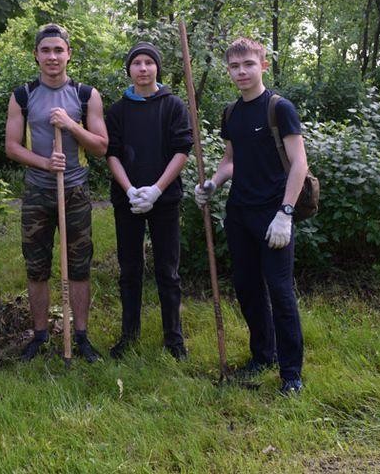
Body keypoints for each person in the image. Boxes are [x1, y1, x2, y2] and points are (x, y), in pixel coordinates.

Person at [194, 37, 308, 395]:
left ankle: (291, 373)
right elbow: (230, 160)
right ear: (228, 70)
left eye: (248, 65)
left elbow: (300, 163)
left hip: (273, 212)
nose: (241, 72)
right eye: (234, 66)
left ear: (263, 65)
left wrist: (285, 213)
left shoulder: (279, 108)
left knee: (279, 290)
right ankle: (263, 355)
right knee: (246, 288)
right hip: (239, 213)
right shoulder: (231, 113)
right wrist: (212, 183)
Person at [5, 23, 108, 363]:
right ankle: (39, 335)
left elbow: (101, 147)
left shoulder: (85, 95)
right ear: (36, 55)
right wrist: (46, 164)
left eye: (58, 50)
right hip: (37, 192)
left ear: (69, 54)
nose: (52, 56)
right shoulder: (22, 95)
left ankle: (80, 336)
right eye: (46, 50)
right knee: (36, 267)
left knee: (78, 266)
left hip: (75, 190)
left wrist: (71, 125)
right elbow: (11, 147)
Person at [105, 42, 193, 360]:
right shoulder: (117, 110)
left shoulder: (173, 106)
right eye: (137, 63)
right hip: (127, 201)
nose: (143, 68)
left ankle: (174, 339)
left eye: (148, 63)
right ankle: (129, 335)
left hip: (165, 200)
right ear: (129, 69)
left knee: (167, 271)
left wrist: (156, 189)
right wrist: (130, 190)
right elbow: (111, 154)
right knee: (129, 269)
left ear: (157, 67)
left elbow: (182, 150)